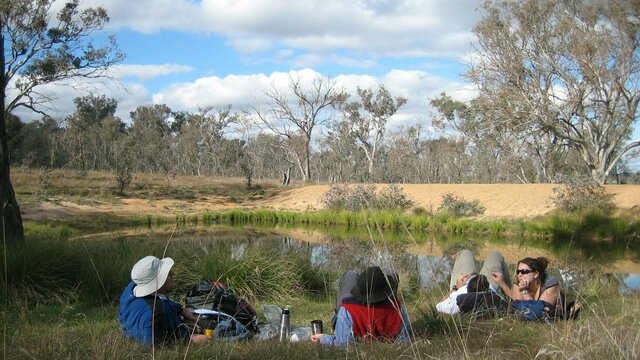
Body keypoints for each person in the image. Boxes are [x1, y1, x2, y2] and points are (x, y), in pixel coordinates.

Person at [118, 255, 211, 347]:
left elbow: (163, 300)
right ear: (158, 282)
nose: (172, 273)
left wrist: (180, 309)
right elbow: (153, 345)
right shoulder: (155, 313)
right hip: (175, 332)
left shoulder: (132, 289)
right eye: (167, 273)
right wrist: (190, 339)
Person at [310, 266, 411, 347]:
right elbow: (404, 341)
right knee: (391, 273)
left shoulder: (348, 309)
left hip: (351, 317)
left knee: (350, 275)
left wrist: (322, 338)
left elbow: (342, 343)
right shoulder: (397, 309)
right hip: (386, 308)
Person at [436, 249, 510, 315]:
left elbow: (438, 306)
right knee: (495, 255)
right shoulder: (495, 299)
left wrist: (456, 288)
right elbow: (508, 306)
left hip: (464, 284)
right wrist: (502, 284)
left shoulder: (457, 301)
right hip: (489, 286)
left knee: (465, 253)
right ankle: (510, 298)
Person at [491, 256, 562, 315]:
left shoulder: (550, 283)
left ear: (536, 274)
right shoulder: (518, 281)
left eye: (524, 271)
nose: (519, 275)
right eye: (518, 272)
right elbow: (516, 302)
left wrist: (523, 291)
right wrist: (502, 283)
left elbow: (537, 311)